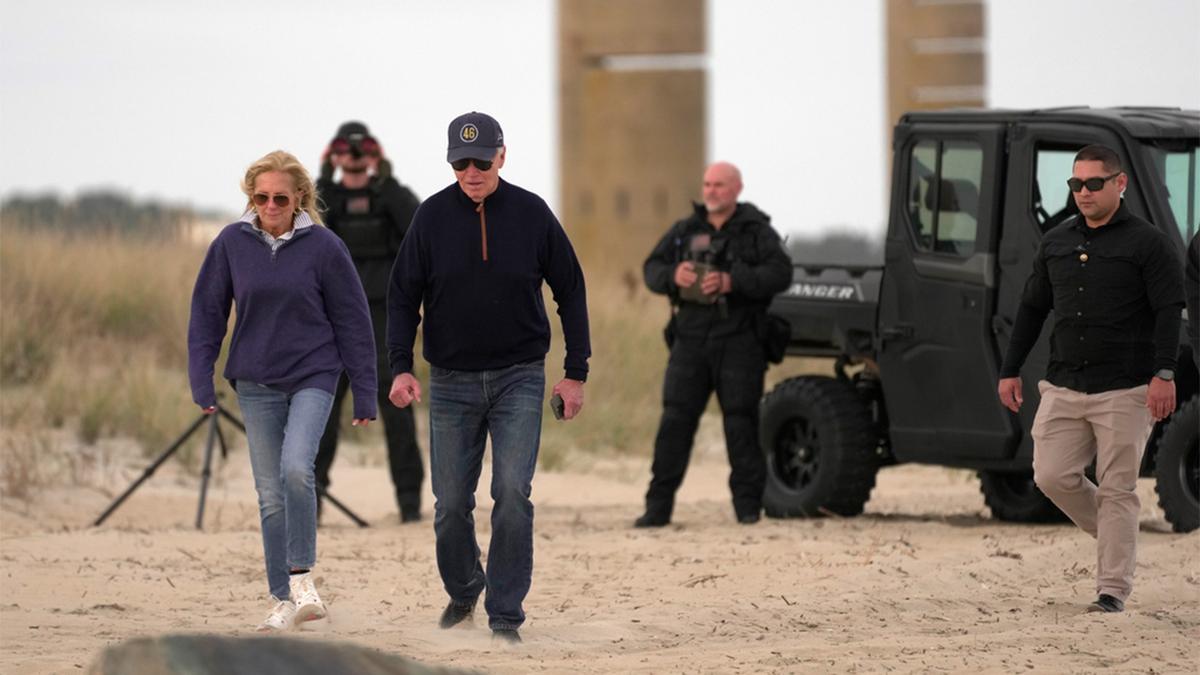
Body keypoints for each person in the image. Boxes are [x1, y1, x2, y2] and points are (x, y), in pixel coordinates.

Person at [387, 111, 591, 644]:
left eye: (480, 160)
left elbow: (570, 289)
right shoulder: (430, 218)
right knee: (451, 505)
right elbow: (403, 295)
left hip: (519, 377)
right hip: (451, 381)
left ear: (502, 155)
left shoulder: (532, 214)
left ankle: (505, 616)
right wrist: (401, 366)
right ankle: (463, 588)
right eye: (460, 162)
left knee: (511, 494)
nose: (471, 171)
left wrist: (575, 373)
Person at [188, 150, 377, 632]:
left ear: (300, 199)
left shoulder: (325, 247)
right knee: (270, 493)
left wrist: (365, 389)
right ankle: (283, 600)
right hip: (255, 381)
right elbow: (208, 313)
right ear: (251, 197)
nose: (270, 205)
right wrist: (201, 378)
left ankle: (303, 579)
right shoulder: (231, 243)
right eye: (261, 197)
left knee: (296, 468)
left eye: (280, 198)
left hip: (315, 374)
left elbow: (354, 320)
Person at [997, 144, 1184, 614]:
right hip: (1063, 384)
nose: (1083, 192)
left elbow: (1168, 312)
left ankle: (1112, 591)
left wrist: (1165, 373)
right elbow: (1032, 309)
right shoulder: (1056, 242)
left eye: (1093, 184)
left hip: (1126, 388)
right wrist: (1009, 368)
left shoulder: (1149, 244)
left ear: (1119, 184)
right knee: (1051, 475)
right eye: (1075, 184)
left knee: (1118, 487)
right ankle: (1119, 532)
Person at [636, 162, 792, 528]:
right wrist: (674, 276)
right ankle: (657, 507)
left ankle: (748, 508)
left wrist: (731, 281)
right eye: (707, 184)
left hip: (740, 340)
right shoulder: (685, 230)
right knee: (675, 420)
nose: (711, 191)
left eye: (720, 185)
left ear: (736, 189)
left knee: (741, 422)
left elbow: (781, 273)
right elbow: (651, 269)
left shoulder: (756, 232)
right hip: (690, 340)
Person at [315, 121, 425, 523]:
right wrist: (326, 174)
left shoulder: (390, 197)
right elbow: (307, 221)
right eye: (347, 150)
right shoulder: (326, 197)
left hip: (384, 315)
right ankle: (310, 501)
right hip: (333, 318)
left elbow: (417, 226)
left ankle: (409, 503)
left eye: (363, 150)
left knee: (396, 408)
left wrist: (385, 177)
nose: (356, 157)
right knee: (322, 408)